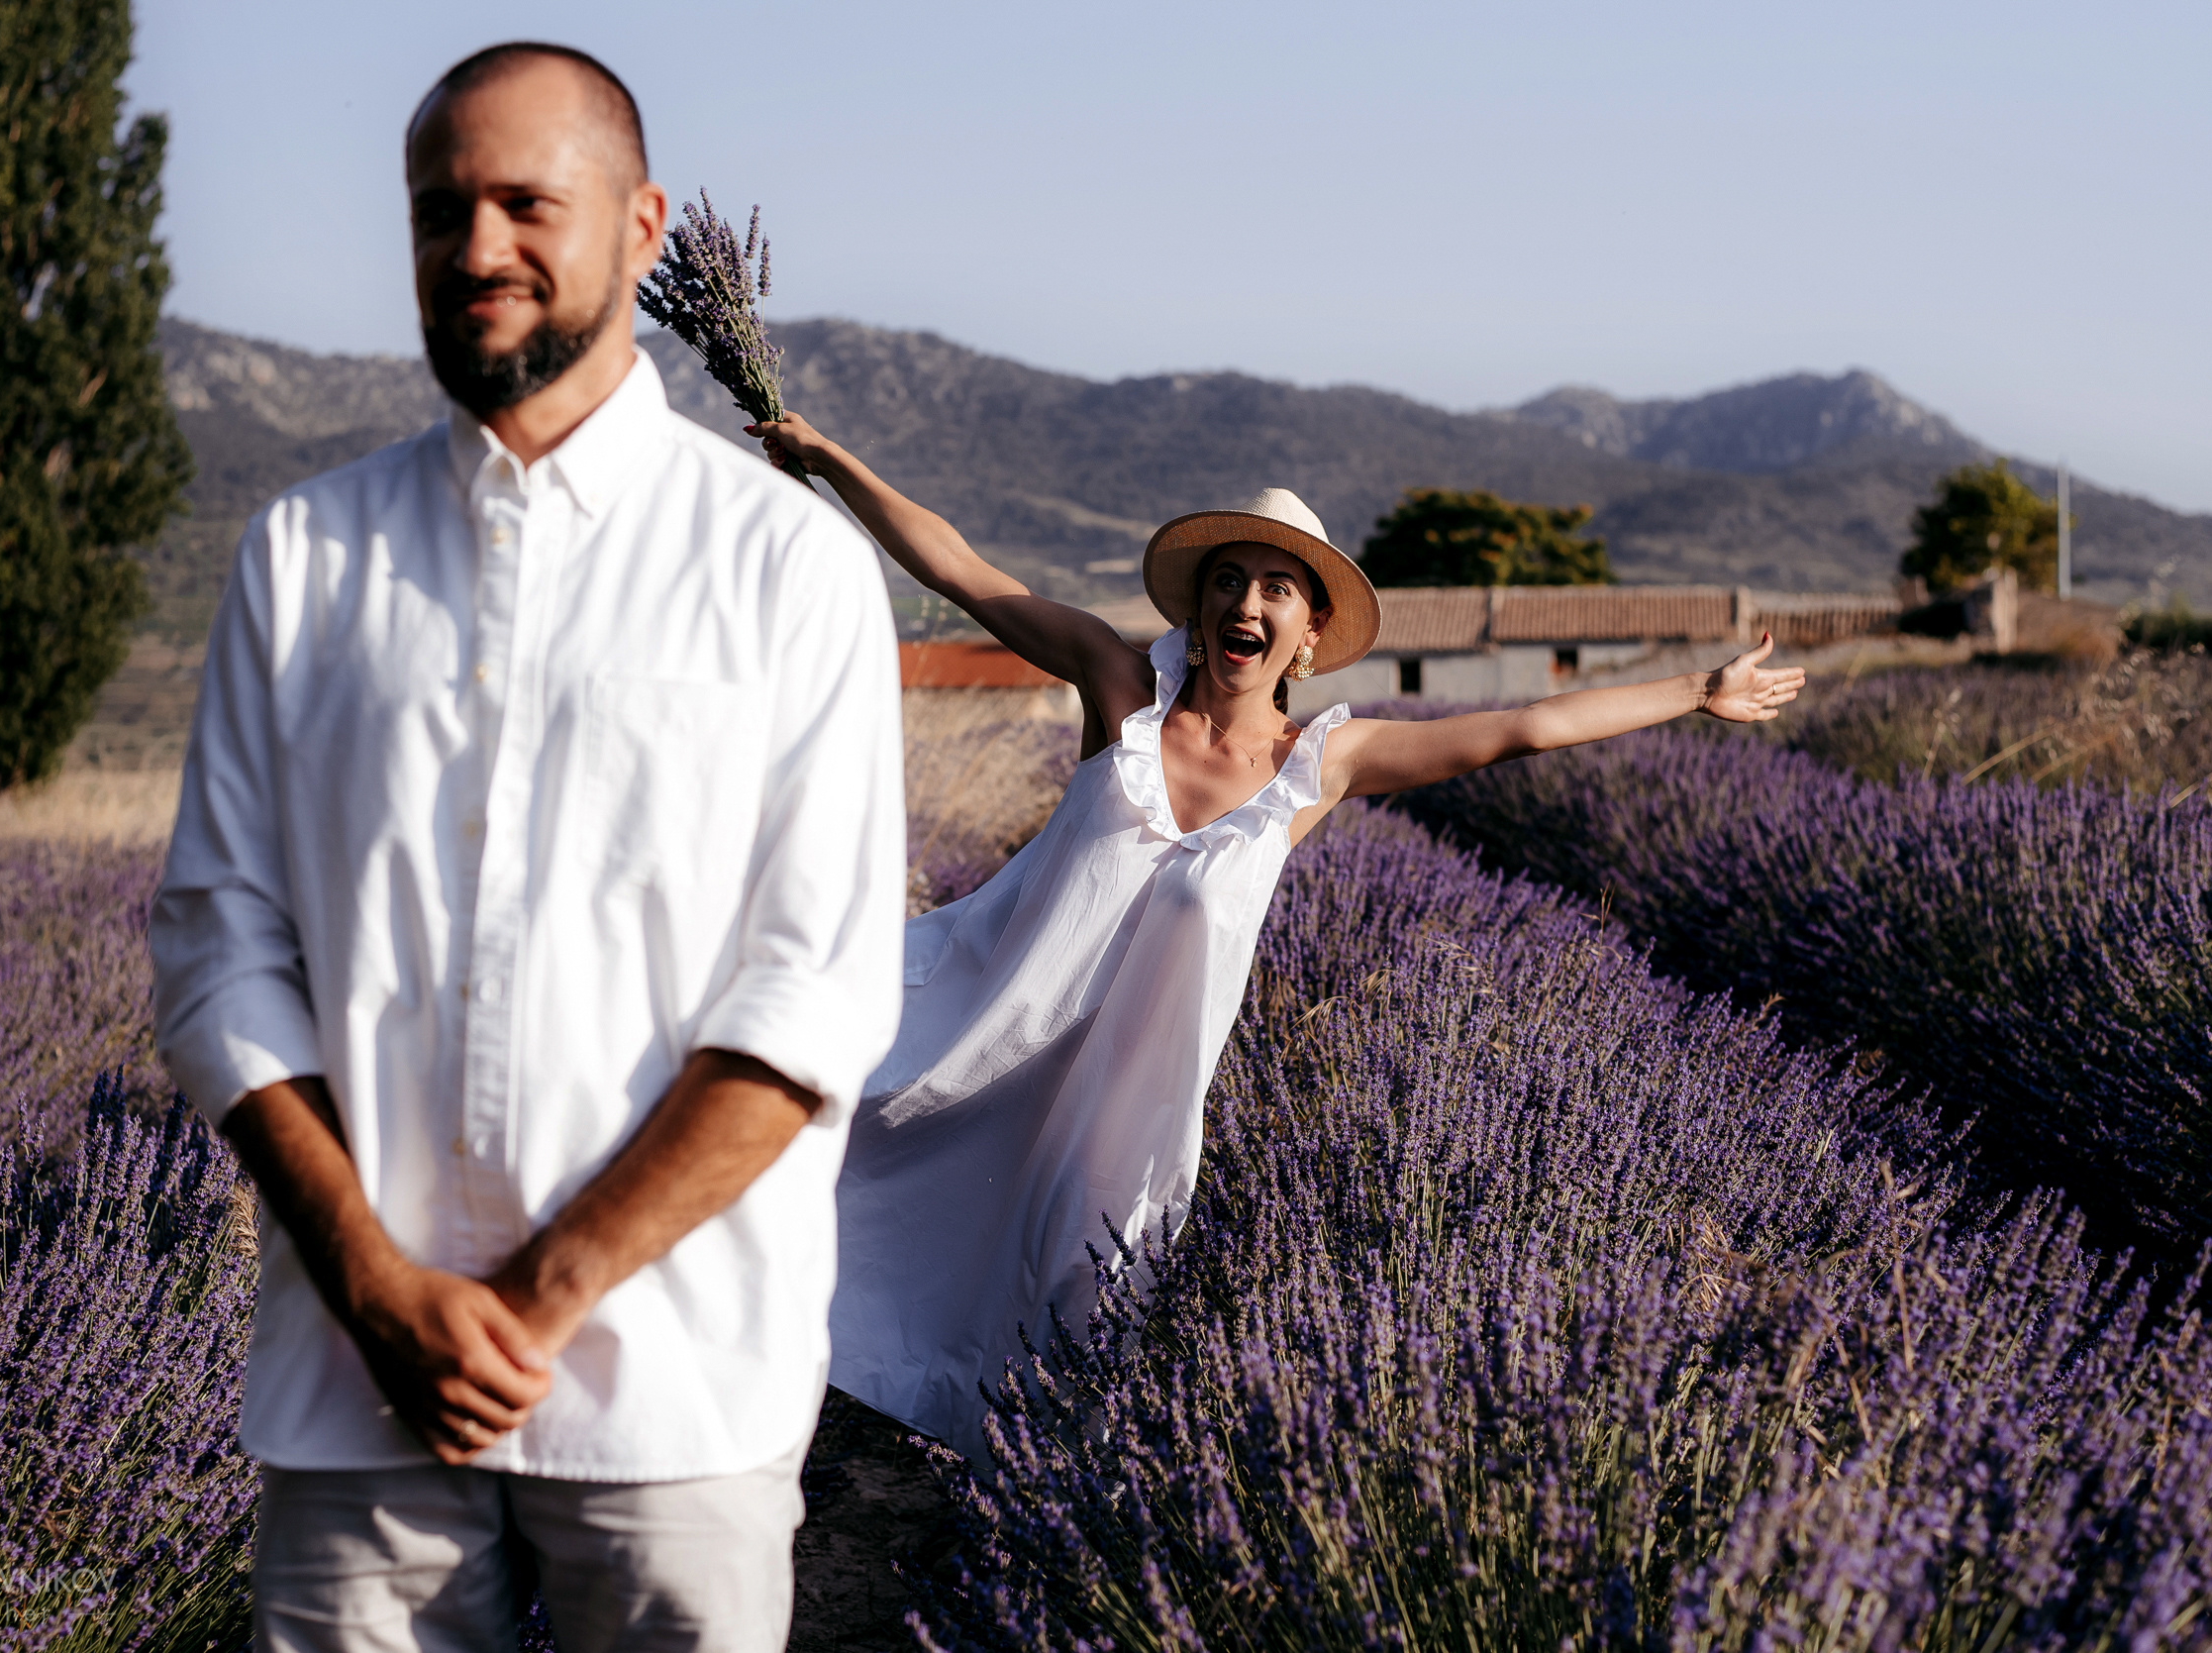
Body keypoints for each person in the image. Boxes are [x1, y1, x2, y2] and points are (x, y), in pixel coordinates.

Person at [149, 45, 903, 1653]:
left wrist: (540, 1295)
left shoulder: (783, 568)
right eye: (439, 211)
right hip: (358, 1402)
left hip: (676, 1390)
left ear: (641, 228)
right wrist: (373, 1283)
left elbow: (817, 991)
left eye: (522, 202)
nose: (475, 246)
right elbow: (220, 950)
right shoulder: (305, 556)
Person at [749, 412, 1805, 1456]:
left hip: (1124, 1114)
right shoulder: (1121, 696)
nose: (1245, 602)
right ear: (1202, 606)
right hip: (976, 1029)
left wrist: (1695, 690)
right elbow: (966, 573)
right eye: (1229, 580)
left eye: (1276, 589)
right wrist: (829, 458)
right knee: (803, 1139)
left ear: (1304, 636)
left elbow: (1523, 727)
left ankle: (1013, 1527)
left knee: (1068, 1336)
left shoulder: (1318, 767)